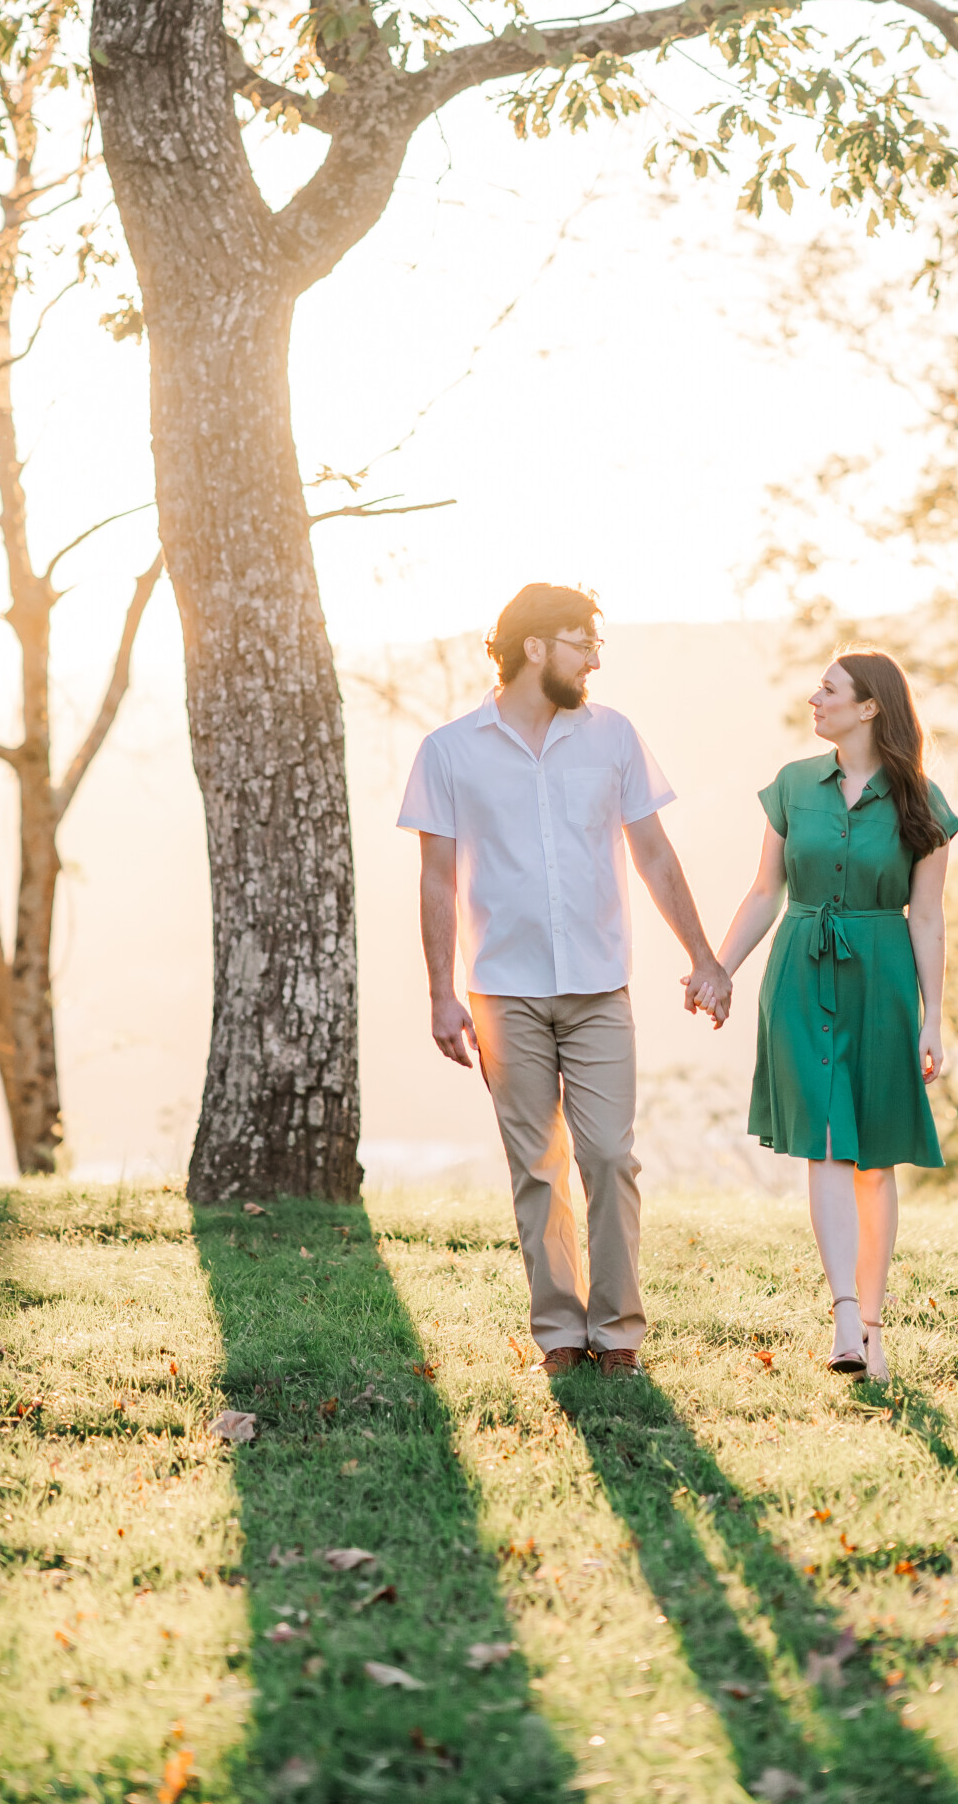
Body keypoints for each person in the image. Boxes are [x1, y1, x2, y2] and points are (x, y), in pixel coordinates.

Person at [399, 583, 732, 1376]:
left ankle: (617, 1333)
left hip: (597, 989)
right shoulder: (448, 750)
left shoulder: (611, 736)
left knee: (609, 1158)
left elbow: (652, 853)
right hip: (500, 992)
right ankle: (559, 1336)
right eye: (582, 642)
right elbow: (437, 880)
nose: (593, 659)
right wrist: (441, 994)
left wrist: (703, 954)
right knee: (536, 1168)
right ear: (536, 647)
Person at [715, 650, 958, 1385]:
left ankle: (873, 1326)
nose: (813, 698)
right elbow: (763, 892)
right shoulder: (792, 786)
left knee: (873, 1161)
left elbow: (928, 919)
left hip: (881, 978)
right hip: (798, 972)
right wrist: (717, 969)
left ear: (868, 707)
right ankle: (844, 1314)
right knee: (825, 1141)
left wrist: (933, 1018)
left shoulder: (920, 801)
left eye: (828, 689)